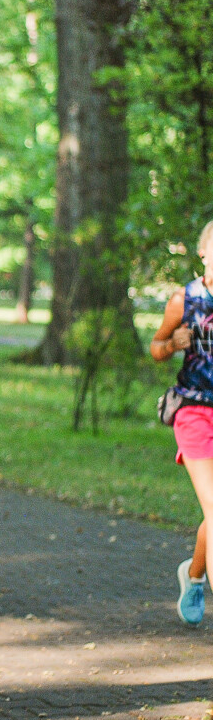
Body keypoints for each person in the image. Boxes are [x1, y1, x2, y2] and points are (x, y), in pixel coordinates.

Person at [150, 219, 213, 626]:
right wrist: (173, 344)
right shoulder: (184, 299)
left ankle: (193, 577)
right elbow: (157, 348)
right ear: (204, 254)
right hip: (193, 411)